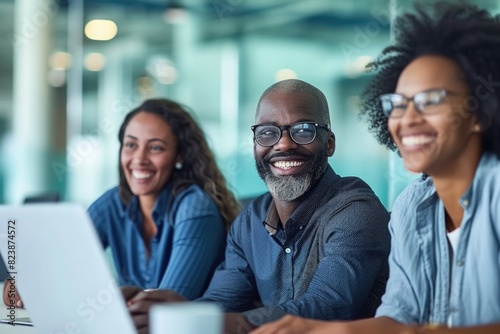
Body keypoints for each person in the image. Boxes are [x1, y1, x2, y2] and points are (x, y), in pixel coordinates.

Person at [251, 3, 500, 334]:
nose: (407, 119)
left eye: (430, 100)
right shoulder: (412, 207)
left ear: (481, 112)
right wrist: (324, 330)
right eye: (397, 104)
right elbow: (399, 316)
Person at [122, 79, 391, 334]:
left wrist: (222, 324)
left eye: (304, 130)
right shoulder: (250, 221)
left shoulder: (356, 211)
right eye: (267, 133)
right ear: (254, 144)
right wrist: (169, 313)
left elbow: (327, 308)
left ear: (329, 143)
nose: (283, 144)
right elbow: (222, 302)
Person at [2, 98, 241, 307]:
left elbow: (166, 303)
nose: (139, 159)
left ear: (179, 155)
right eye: (131, 145)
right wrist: (30, 282)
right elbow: (63, 261)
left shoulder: (195, 208)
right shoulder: (113, 203)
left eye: (156, 147)